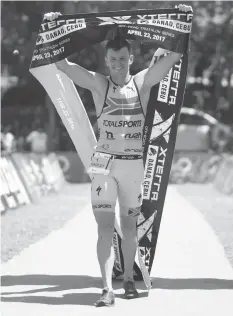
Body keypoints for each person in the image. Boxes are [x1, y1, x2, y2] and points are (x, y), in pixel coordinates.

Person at [45, 3, 192, 307]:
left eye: (122, 59)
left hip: (132, 169)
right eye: (112, 60)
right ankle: (105, 288)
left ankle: (127, 279)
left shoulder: (141, 82)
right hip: (104, 167)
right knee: (102, 227)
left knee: (128, 228)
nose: (117, 65)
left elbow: (175, 55)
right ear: (106, 59)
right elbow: (63, 66)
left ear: (131, 58)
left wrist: (182, 19)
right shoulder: (99, 84)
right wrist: (52, 29)